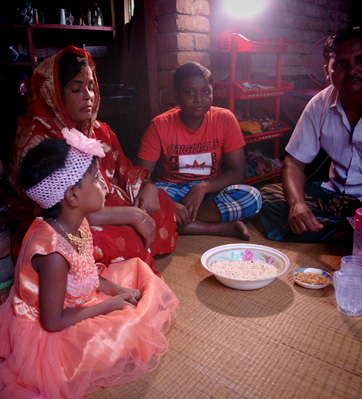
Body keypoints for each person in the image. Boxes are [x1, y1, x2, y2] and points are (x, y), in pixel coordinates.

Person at [0, 134, 178, 398]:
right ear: (72, 196)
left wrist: (116, 289)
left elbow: (87, 274)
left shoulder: (75, 222)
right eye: (95, 179)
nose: (104, 185)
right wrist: (110, 304)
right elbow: (52, 321)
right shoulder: (53, 254)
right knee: (123, 330)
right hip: (52, 326)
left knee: (139, 275)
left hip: (78, 296)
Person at [7, 45, 177, 273]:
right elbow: (58, 211)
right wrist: (132, 214)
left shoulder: (99, 130)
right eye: (76, 89)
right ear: (53, 93)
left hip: (107, 204)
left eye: (91, 87)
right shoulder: (37, 141)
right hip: (66, 222)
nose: (88, 96)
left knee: (160, 201)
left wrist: (148, 186)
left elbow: (124, 171)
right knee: (92, 242)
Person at [136, 62, 262, 240]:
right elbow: (140, 177)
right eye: (189, 93)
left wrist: (203, 187)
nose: (199, 99)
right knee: (138, 201)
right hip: (171, 190)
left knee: (253, 197)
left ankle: (175, 219)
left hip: (211, 190)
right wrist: (169, 204)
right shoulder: (160, 125)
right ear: (176, 95)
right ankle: (217, 228)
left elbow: (238, 171)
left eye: (205, 92)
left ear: (213, 91)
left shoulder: (225, 119)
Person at [260, 27, 362, 242]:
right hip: (332, 198)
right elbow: (294, 163)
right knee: (268, 197)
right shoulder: (319, 104)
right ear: (327, 71)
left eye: (360, 60)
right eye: (341, 64)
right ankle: (344, 235)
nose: (352, 71)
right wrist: (298, 204)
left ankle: (336, 234)